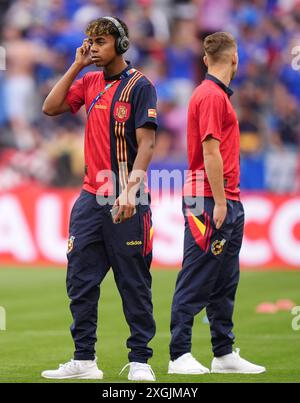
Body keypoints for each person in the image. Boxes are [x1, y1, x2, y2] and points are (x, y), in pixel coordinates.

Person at [41, 16, 157, 381]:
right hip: (91, 199)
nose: (93, 47)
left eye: (101, 41)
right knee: (80, 281)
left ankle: (140, 361)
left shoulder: (140, 86)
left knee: (133, 282)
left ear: (121, 45)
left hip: (127, 198)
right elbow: (51, 107)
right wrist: (75, 64)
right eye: (90, 41)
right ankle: (84, 361)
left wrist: (131, 189)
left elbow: (148, 143)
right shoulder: (88, 80)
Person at [168, 32, 266, 375]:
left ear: (207, 59)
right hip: (208, 198)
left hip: (224, 198)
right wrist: (222, 202)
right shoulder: (210, 96)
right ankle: (179, 354)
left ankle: (223, 354)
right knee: (197, 276)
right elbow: (210, 151)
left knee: (225, 280)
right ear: (235, 59)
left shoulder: (216, 96)